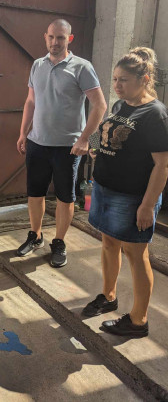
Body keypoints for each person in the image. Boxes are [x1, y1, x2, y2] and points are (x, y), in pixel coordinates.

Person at [82, 48, 168, 338]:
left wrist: (146, 205)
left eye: (124, 80)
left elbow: (162, 164)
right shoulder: (121, 105)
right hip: (106, 188)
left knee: (136, 253)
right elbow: (104, 129)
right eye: (115, 79)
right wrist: (92, 145)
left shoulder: (154, 113)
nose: (117, 86)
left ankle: (138, 320)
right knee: (108, 243)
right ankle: (108, 296)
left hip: (132, 197)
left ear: (144, 79)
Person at [16, 19, 106, 267]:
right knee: (35, 194)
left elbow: (100, 105)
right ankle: (35, 236)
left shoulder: (82, 67)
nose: (55, 42)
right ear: (45, 37)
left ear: (70, 39)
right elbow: (31, 102)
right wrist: (24, 133)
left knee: (66, 198)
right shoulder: (37, 65)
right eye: (52, 37)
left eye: (61, 38)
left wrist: (86, 139)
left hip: (68, 147)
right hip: (37, 143)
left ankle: (59, 242)